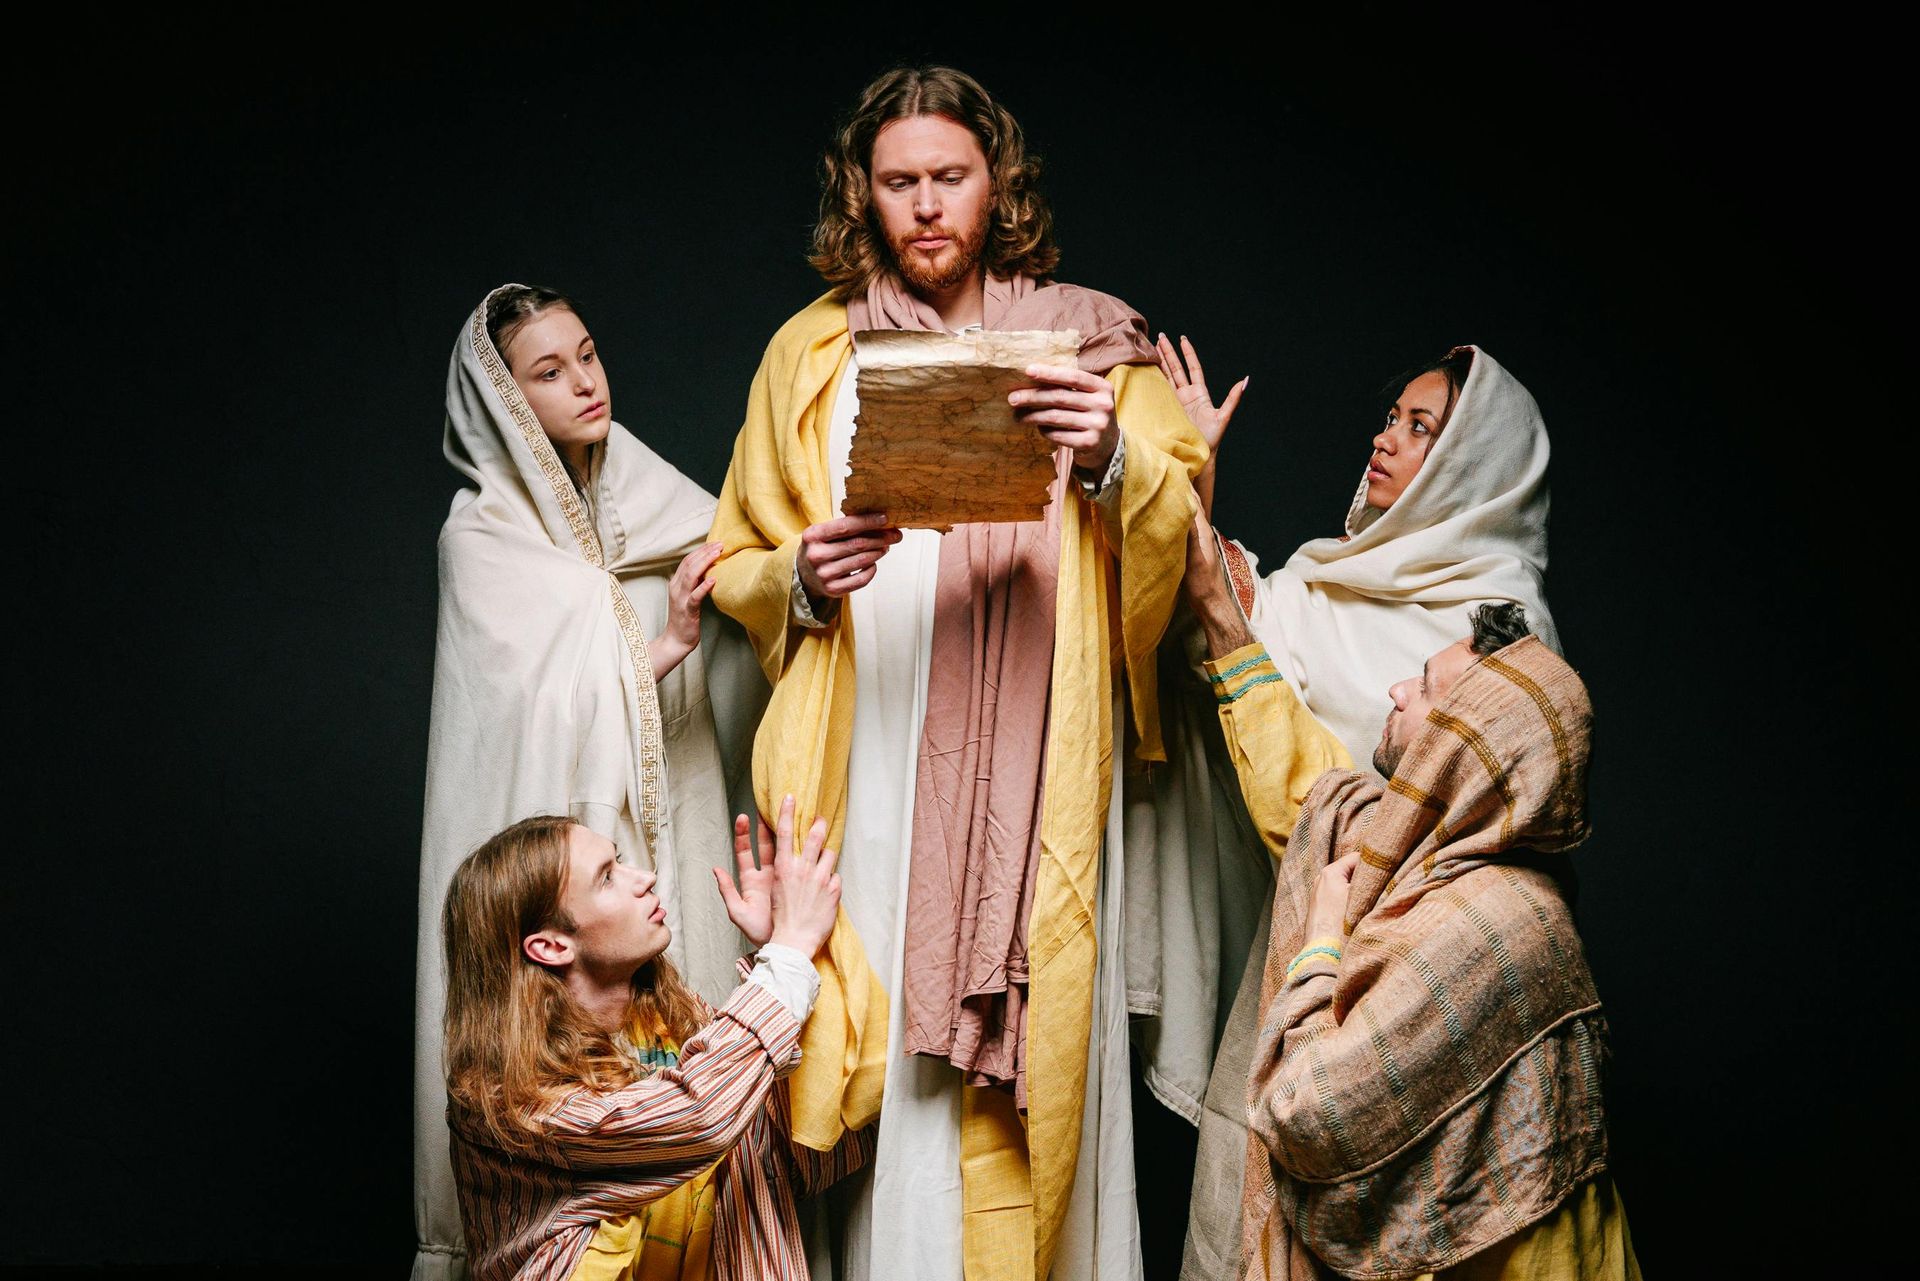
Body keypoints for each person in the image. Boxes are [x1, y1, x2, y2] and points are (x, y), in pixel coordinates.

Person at [706, 66, 1206, 1281]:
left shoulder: (1094, 341)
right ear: (862, 198)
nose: (927, 206)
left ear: (998, 185)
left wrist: (1108, 464)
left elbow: (1180, 535)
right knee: (880, 1015)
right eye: (898, 184)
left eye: (951, 178)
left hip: (1038, 752)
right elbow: (737, 555)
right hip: (870, 745)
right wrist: (805, 577)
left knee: (1030, 1029)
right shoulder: (811, 354)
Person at [1122, 344, 1563, 1277]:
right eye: (1390, 416)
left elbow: (1380, 825)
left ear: (1475, 469)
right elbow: (1232, 647)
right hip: (1296, 957)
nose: (1384, 438)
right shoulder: (1336, 581)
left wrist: (1222, 615)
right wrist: (1194, 481)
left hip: (1408, 994)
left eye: (1420, 428)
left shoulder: (1504, 636)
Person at [414, 285, 769, 1279]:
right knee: (587, 1143)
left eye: (589, 355)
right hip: (562, 873)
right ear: (507, 403)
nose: (584, 382)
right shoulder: (480, 540)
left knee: (686, 1093)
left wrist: (674, 643)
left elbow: (741, 552)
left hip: (650, 840)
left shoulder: (648, 498)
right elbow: (519, 725)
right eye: (548, 371)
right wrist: (639, 649)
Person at [443, 798, 874, 1281]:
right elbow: (696, 1117)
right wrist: (788, 952)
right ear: (550, 946)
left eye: (620, 862)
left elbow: (811, 1156)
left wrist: (778, 948)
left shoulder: (682, 1025)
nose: (643, 877)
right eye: (607, 877)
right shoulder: (506, 1100)